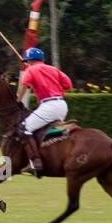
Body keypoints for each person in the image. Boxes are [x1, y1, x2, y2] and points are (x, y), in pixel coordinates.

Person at [17, 46, 72, 177]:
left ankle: (35, 162)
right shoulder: (54, 69)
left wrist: (17, 100)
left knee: (24, 128)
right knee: (43, 130)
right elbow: (69, 85)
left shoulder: (30, 70)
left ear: (29, 60)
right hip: (62, 105)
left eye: (27, 61)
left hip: (49, 106)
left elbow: (24, 86)